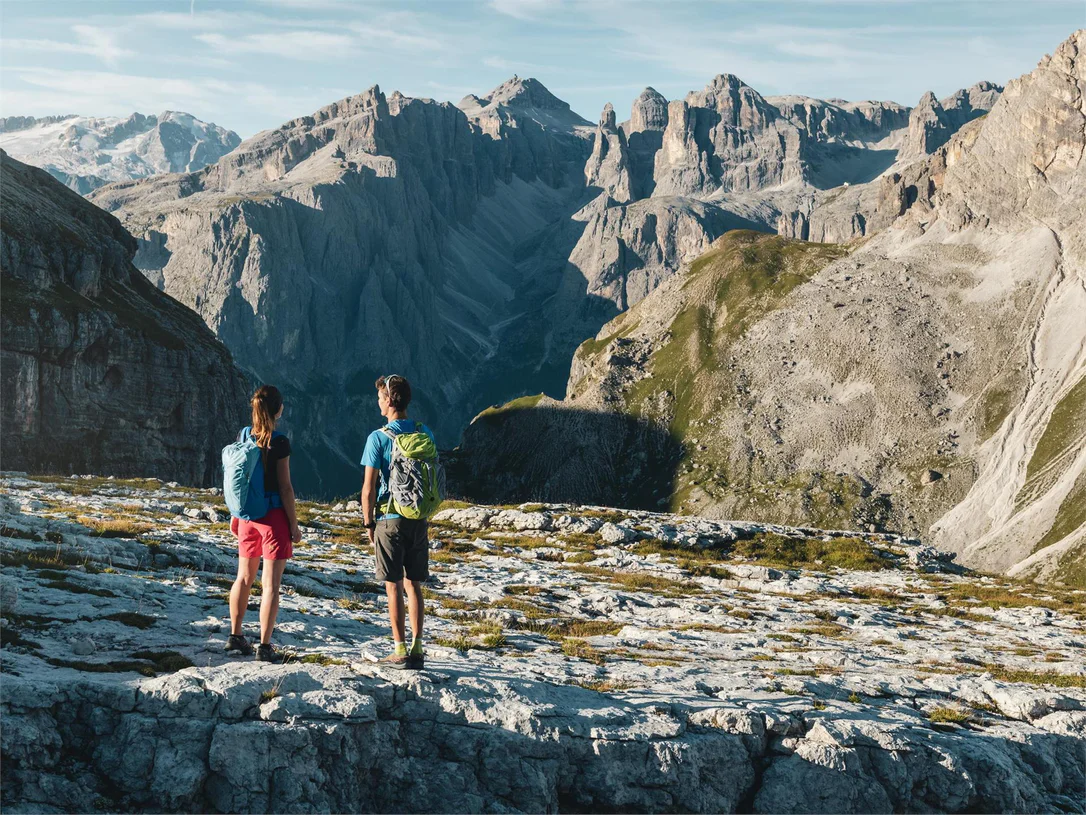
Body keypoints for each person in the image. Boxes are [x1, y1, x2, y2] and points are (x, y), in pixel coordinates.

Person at [361, 374, 434, 669]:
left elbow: (368, 487)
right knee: (413, 584)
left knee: (392, 586)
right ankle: (417, 648)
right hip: (418, 518)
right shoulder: (424, 431)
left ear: (390, 401)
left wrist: (368, 523)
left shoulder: (378, 437)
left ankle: (399, 649)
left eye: (380, 398)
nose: (378, 403)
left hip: (389, 519)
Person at [226, 385, 301, 662]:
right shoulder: (279, 442)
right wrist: (293, 525)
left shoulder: (244, 435)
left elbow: (241, 480)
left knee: (243, 577)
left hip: (247, 517)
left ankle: (235, 635)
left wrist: (237, 515)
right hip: (273, 519)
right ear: (278, 410)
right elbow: (285, 488)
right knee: (269, 585)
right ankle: (265, 646)